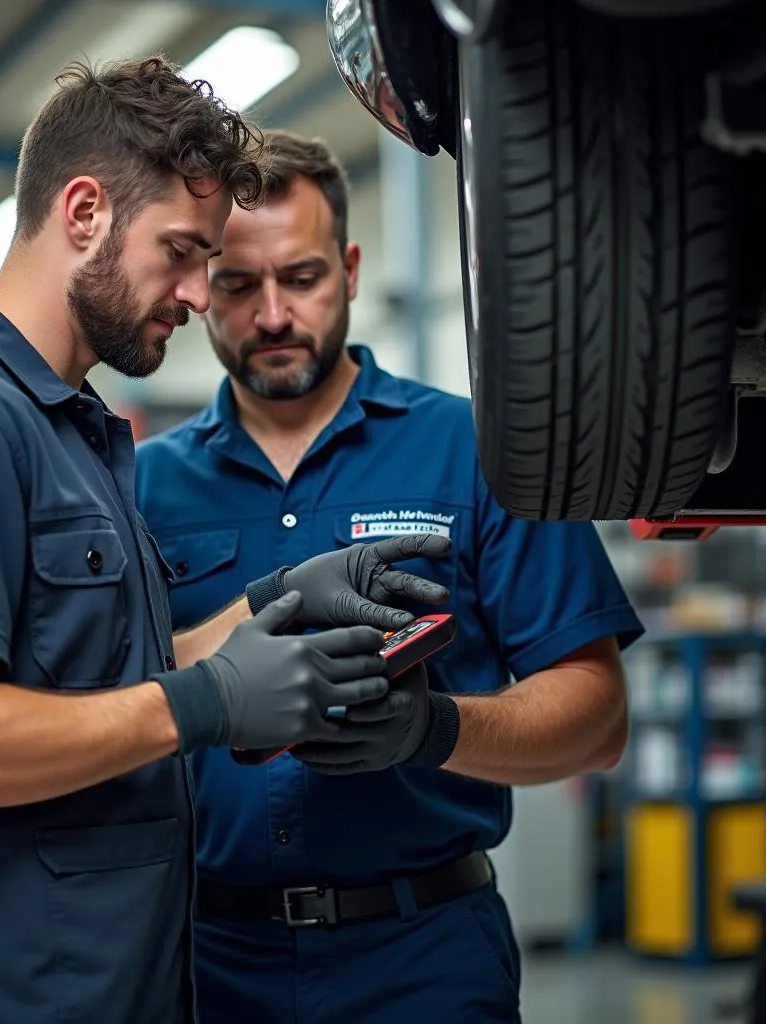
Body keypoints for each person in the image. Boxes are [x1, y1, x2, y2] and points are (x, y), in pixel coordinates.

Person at [0, 63, 452, 1024]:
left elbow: (101, 681)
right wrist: (208, 702)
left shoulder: (69, 429)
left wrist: (272, 602)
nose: (203, 295)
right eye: (183, 252)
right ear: (83, 211)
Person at [135, 129, 646, 1023]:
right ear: (198, 283)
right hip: (206, 966)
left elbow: (596, 717)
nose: (273, 316)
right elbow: (101, 696)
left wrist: (434, 727)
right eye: (237, 284)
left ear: (352, 268)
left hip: (425, 961)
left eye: (301, 278)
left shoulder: (477, 451)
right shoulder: (143, 488)